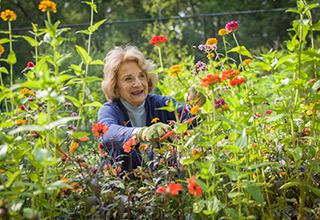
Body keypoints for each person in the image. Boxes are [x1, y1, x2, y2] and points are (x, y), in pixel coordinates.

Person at [98, 46, 205, 172]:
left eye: (141, 76)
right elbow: (107, 133)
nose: (138, 84)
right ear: (115, 86)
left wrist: (194, 105)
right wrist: (140, 133)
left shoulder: (160, 103)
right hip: (121, 186)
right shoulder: (109, 110)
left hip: (163, 184)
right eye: (128, 79)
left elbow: (189, 117)